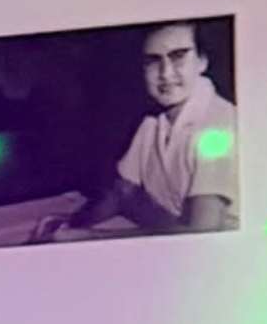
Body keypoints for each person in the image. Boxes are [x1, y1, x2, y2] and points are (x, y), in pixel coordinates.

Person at [89, 19, 239, 236]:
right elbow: (121, 192)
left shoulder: (220, 123)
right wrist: (72, 223)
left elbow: (203, 232)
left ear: (202, 61)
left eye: (178, 57)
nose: (165, 74)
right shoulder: (151, 122)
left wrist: (89, 236)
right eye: (153, 61)